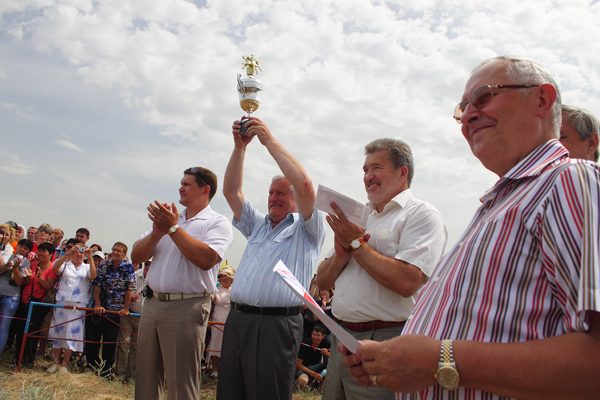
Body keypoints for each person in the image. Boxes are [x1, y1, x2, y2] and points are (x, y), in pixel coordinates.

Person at [340, 56, 600, 400]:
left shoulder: (569, 179)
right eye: (463, 108)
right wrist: (396, 361)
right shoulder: (502, 201)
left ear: (542, 100)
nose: (468, 115)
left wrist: (439, 360)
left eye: (484, 97)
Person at [316, 138, 447, 400]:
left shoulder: (421, 215)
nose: (368, 177)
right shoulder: (359, 217)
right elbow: (322, 281)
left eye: (376, 168)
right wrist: (342, 254)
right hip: (341, 339)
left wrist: (355, 244)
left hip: (385, 341)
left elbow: (408, 280)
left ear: (402, 172)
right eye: (365, 170)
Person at [218, 116, 326, 400]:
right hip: (238, 320)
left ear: (294, 198)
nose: (273, 197)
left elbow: (303, 183)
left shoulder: (307, 229)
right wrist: (240, 147)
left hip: (275, 327)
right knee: (230, 393)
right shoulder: (258, 225)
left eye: (281, 192)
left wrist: (266, 140)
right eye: (270, 193)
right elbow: (231, 192)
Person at [132, 166, 233, 400]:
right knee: (146, 377)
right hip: (152, 303)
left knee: (181, 383)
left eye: (187, 184)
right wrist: (157, 233)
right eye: (181, 182)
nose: (180, 187)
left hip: (187, 307)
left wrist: (173, 229)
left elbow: (207, 259)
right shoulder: (169, 219)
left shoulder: (217, 223)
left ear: (205, 189)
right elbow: (136, 256)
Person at [87, 242, 136, 379]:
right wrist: (97, 305)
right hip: (99, 309)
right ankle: (92, 367)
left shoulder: (128, 267)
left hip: (115, 312)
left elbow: (129, 289)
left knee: (110, 343)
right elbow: (97, 286)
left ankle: (106, 371)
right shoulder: (103, 264)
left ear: (124, 254)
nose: (115, 252)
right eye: (114, 250)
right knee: (93, 340)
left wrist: (126, 308)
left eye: (119, 251)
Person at [47, 240, 96, 374]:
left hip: (78, 304)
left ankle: (65, 364)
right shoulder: (65, 265)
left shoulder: (86, 267)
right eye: (76, 252)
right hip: (63, 302)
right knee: (59, 332)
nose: (78, 255)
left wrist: (90, 258)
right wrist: (67, 254)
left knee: (72, 333)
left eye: (81, 253)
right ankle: (56, 362)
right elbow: (55, 268)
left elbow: (93, 276)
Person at [12, 242, 59, 367]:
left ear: (50, 254)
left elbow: (49, 287)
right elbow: (26, 282)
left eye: (44, 251)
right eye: (39, 250)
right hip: (25, 300)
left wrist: (40, 278)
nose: (41, 253)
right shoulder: (33, 264)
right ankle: (18, 357)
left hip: (38, 303)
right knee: (20, 330)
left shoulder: (52, 269)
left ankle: (28, 359)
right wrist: (24, 274)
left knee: (32, 332)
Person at [0, 239, 33, 355]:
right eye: (20, 246)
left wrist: (15, 268)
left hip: (11, 297)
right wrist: (6, 267)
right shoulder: (7, 256)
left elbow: (19, 282)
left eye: (25, 248)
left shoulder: (25, 263)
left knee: (3, 327)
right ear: (17, 246)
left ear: (28, 251)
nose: (22, 249)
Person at [115, 259, 145, 383]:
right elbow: (123, 292)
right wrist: (130, 300)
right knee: (123, 344)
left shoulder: (156, 279)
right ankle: (120, 373)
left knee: (136, 347)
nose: (149, 267)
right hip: (129, 313)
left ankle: (130, 375)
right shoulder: (136, 275)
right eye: (147, 264)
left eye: (150, 264)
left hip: (143, 317)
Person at [206, 264, 235, 378]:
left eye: (227, 277)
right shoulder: (216, 289)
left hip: (230, 322)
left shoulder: (235, 289)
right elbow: (210, 295)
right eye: (223, 277)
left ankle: (226, 368)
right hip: (217, 321)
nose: (224, 279)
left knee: (228, 346)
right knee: (216, 344)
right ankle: (215, 369)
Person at [296, 325, 331, 390]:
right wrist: (313, 374)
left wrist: (328, 354)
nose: (315, 337)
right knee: (303, 381)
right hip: (304, 370)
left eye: (318, 335)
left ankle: (318, 387)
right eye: (314, 334)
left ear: (323, 336)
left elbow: (334, 360)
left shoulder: (326, 344)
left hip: (318, 369)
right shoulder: (305, 344)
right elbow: (298, 365)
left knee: (327, 384)